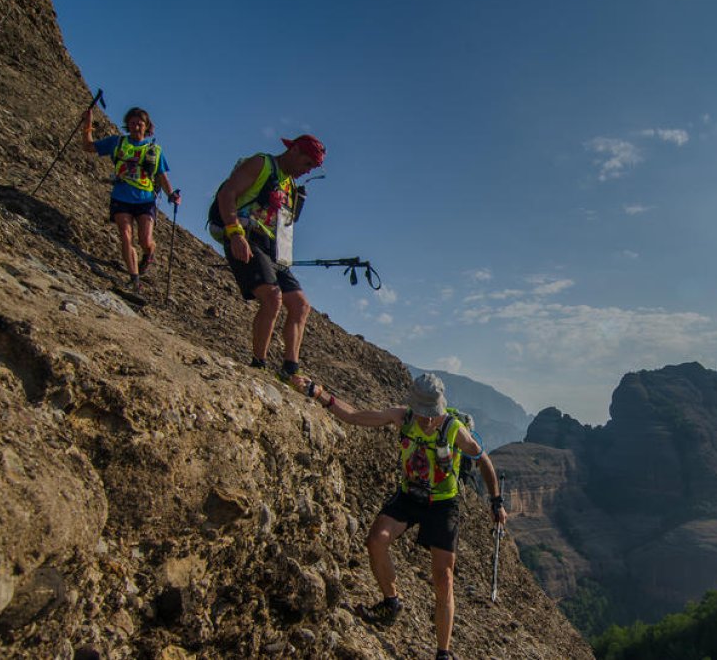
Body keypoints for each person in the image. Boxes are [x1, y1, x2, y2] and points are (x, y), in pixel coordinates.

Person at [294, 373, 507, 660]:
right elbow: (355, 416)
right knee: (376, 541)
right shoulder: (401, 416)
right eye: (422, 413)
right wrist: (318, 393)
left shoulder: (454, 429)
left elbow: (483, 460)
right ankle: (391, 602)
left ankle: (443, 652)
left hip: (443, 503)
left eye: (432, 414)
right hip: (410, 495)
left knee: (443, 578)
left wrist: (496, 503)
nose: (427, 420)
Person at [209, 135, 324, 380]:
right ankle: (258, 364)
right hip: (244, 234)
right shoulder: (261, 164)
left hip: (272, 247)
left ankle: (290, 369)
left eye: (312, 168)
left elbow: (283, 223)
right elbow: (227, 193)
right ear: (293, 151)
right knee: (273, 297)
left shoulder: (290, 185)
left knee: (301, 305)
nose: (307, 171)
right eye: (307, 164)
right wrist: (235, 233)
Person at [81, 106, 180, 290]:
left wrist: (172, 195)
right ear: (127, 125)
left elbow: (161, 176)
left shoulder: (155, 150)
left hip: (145, 199)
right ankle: (135, 279)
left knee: (145, 240)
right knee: (126, 236)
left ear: (146, 126)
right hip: (121, 197)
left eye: (139, 124)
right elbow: (88, 146)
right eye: (132, 123)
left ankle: (149, 252)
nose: (136, 127)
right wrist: (87, 124)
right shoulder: (117, 143)